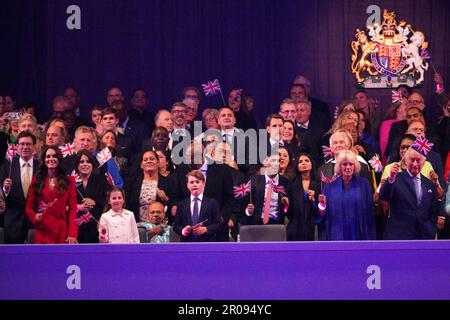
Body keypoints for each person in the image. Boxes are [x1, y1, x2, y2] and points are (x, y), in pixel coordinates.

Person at [380, 146, 440, 240]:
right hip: (399, 236)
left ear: (424, 162)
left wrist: (431, 229)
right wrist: (390, 179)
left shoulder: (429, 184)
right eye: (412, 160)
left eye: (418, 160)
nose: (415, 163)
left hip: (423, 236)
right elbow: (383, 196)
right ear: (406, 161)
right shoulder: (396, 178)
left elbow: (432, 212)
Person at [318, 150, 375, 240]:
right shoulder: (329, 186)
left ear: (355, 166)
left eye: (351, 164)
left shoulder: (364, 184)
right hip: (337, 233)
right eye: (344, 164)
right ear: (339, 166)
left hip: (358, 232)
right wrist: (322, 206)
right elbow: (323, 214)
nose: (348, 167)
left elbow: (370, 212)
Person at [25, 146, 78, 244]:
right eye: (48, 156)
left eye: (54, 156)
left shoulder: (69, 181)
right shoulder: (36, 181)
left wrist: (72, 234)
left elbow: (72, 210)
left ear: (59, 159)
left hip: (62, 233)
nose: (51, 159)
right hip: (42, 232)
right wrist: (35, 216)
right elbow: (28, 208)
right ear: (44, 160)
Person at [0, 131, 40, 243]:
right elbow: (3, 195)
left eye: (28, 144)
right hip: (13, 221)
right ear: (17, 147)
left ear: (34, 147)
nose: (25, 147)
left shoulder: (41, 166)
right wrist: (6, 189)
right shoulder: (7, 166)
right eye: (22, 144)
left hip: (35, 220)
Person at [173, 170, 221, 242]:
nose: (194, 184)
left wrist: (206, 229)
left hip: (206, 244)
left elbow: (218, 224)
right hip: (187, 244)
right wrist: (183, 230)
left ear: (203, 184)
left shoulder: (212, 203)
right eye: (191, 182)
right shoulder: (181, 204)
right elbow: (176, 226)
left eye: (197, 182)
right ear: (187, 185)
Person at [74, 150, 110, 243]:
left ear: (92, 165)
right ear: (77, 166)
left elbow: (110, 202)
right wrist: (78, 207)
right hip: (78, 229)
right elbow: (66, 205)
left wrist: (95, 202)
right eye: (81, 162)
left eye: (88, 161)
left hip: (97, 227)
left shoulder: (101, 181)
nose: (85, 164)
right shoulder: (72, 184)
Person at [287, 153, 320, 241]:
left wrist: (314, 200)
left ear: (312, 164)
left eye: (306, 161)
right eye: (300, 162)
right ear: (297, 166)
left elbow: (322, 209)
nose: (303, 163)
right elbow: (288, 212)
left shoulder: (319, 184)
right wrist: (286, 205)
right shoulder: (291, 184)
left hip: (313, 227)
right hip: (295, 227)